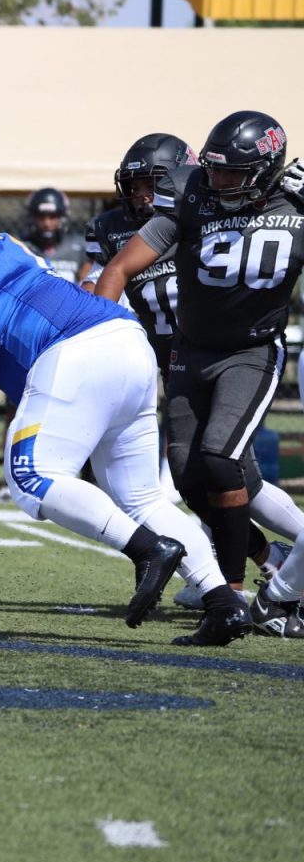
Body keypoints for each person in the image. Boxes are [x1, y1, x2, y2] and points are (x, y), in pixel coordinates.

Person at [0, 195, 245, 645]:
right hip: (122, 340)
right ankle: (223, 602)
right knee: (142, 498)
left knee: (31, 476)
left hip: (74, 348)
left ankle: (147, 549)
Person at [95, 111, 304, 613]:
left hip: (250, 350)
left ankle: (231, 593)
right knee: (191, 478)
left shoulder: (295, 207)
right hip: (188, 353)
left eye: (233, 171)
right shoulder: (191, 196)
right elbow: (119, 268)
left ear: (265, 170)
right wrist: (96, 337)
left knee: (221, 460)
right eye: (213, 168)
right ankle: (267, 564)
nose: (219, 179)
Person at [21, 187, 88, 284]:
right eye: (41, 217)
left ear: (62, 218)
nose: (47, 223)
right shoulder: (23, 248)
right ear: (33, 218)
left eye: (52, 217)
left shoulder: (79, 247)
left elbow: (87, 286)